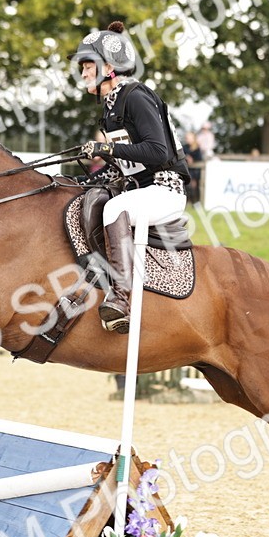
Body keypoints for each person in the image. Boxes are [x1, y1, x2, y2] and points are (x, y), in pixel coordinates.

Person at [71, 21, 191, 334]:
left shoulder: (136, 97)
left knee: (115, 209)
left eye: (87, 66)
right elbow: (122, 168)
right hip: (141, 189)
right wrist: (81, 183)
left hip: (165, 188)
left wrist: (106, 147)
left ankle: (122, 298)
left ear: (108, 68)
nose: (83, 73)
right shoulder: (111, 108)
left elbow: (156, 152)